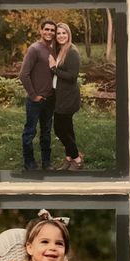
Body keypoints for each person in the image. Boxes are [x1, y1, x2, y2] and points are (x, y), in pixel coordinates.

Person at [19, 19, 57, 170]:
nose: (49, 32)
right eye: (46, 29)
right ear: (41, 31)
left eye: (52, 30)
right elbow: (23, 74)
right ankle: (29, 163)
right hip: (36, 100)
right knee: (30, 132)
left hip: (50, 99)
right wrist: (34, 95)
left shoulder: (52, 49)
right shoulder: (34, 49)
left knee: (46, 133)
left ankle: (46, 163)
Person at [49, 22, 84, 170]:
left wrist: (53, 68)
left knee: (59, 129)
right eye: (58, 33)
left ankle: (77, 158)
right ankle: (69, 157)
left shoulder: (72, 52)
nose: (61, 36)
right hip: (60, 95)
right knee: (67, 128)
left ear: (68, 34)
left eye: (64, 33)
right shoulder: (60, 49)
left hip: (68, 97)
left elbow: (72, 76)